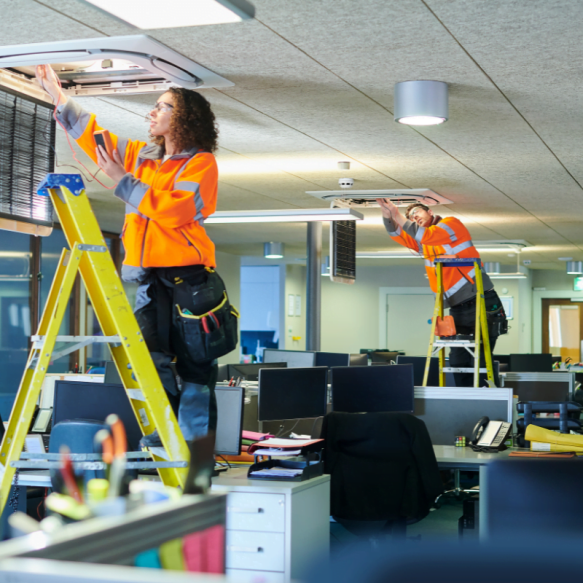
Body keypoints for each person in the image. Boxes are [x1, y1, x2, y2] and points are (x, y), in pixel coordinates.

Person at [36, 64, 221, 442]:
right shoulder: (142, 157)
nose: (151, 112)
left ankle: (198, 461)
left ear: (183, 118)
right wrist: (59, 96)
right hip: (146, 279)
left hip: (189, 280)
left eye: (162, 106)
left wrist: (125, 181)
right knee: (150, 364)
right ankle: (166, 438)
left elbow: (174, 211)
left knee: (196, 373)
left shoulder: (201, 163)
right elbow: (96, 137)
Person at [377, 199, 506, 387]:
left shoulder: (450, 225)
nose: (414, 218)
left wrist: (397, 214)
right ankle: (465, 401)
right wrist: (387, 216)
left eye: (417, 213)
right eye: (411, 217)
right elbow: (397, 234)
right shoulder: (425, 242)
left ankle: (490, 400)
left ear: (430, 211)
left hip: (480, 299)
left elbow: (427, 235)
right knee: (458, 362)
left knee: (480, 359)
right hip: (457, 307)